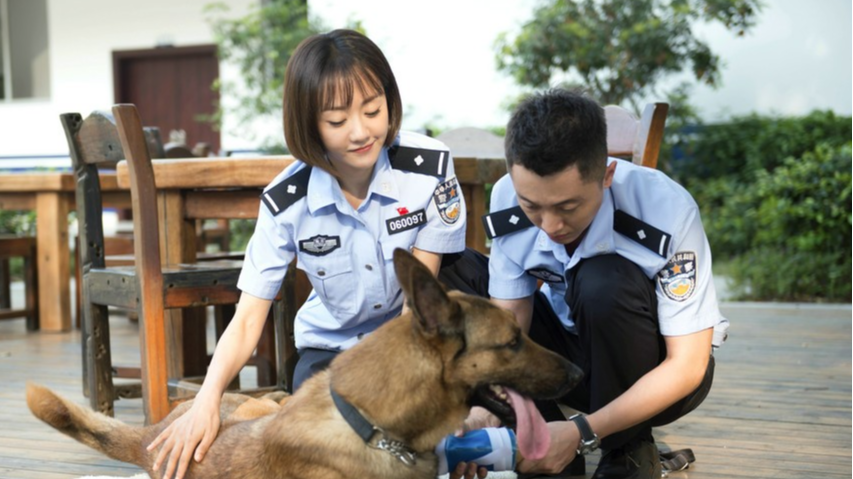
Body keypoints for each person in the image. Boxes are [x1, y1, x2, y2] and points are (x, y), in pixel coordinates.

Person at [146, 29, 467, 479]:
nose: (361, 132)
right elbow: (247, 321)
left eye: (373, 110)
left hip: (408, 335)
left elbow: (418, 305)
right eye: (337, 122)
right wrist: (206, 401)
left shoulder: (428, 169)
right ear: (307, 124)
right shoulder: (287, 201)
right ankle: (266, 407)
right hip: (331, 349)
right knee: (319, 439)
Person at [451, 89, 727, 479]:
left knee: (602, 281)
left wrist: (584, 432)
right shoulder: (506, 196)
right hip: (567, 362)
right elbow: (508, 321)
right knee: (454, 266)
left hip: (651, 369)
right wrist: (487, 400)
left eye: (567, 207)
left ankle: (626, 447)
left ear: (607, 174)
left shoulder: (666, 209)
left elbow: (687, 366)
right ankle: (538, 438)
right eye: (533, 207)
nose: (549, 227)